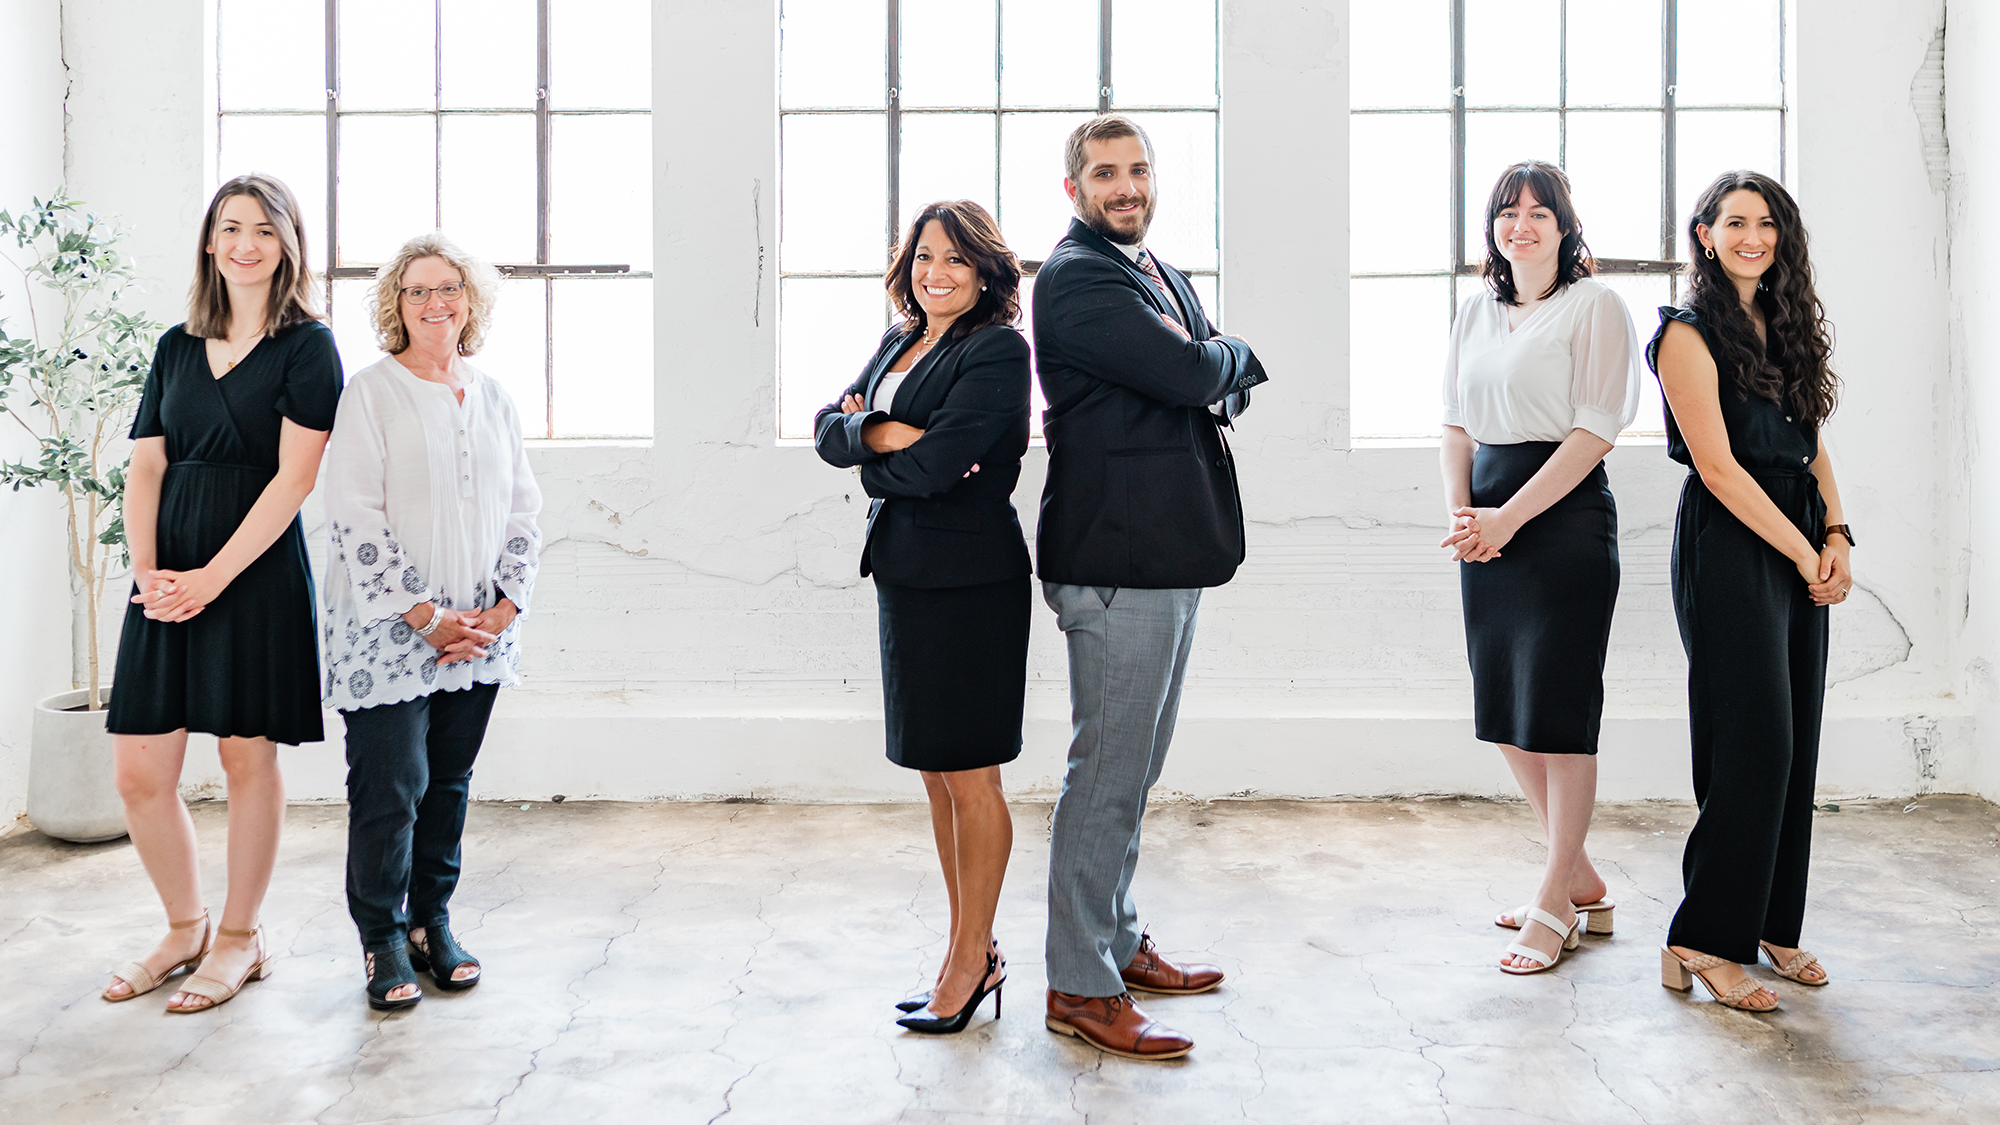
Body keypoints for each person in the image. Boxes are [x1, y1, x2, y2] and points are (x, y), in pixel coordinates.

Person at [1031, 114, 1266, 1060]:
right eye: (1104, 174)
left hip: (1167, 553)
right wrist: (1221, 359)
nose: (1125, 187)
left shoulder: (1155, 269)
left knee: (1139, 764)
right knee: (1109, 770)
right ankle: (1080, 984)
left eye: (1137, 170)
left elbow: (1205, 375)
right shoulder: (1079, 275)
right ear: (1075, 189)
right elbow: (1193, 366)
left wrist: (1211, 366)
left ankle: (1115, 938)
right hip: (1117, 561)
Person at [101, 173, 341, 1012]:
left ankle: (241, 936)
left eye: (265, 231)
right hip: (166, 571)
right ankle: (185, 925)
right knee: (140, 770)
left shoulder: (309, 347)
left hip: (254, 567)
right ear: (210, 242)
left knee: (245, 756)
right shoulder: (174, 344)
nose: (246, 243)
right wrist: (147, 570)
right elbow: (146, 465)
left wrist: (213, 576)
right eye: (231, 227)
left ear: (288, 246)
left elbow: (294, 480)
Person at [813, 200, 1031, 1035]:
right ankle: (963, 949)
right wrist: (882, 431)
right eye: (924, 257)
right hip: (905, 575)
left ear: (985, 272)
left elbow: (942, 468)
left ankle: (972, 961)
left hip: (971, 582)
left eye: (955, 259)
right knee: (936, 771)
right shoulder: (900, 340)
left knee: (972, 773)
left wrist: (880, 449)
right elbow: (831, 431)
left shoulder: (999, 350)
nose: (936, 272)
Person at [321, 232, 542, 1010]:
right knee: (392, 786)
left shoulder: (493, 397)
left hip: (480, 632)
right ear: (396, 305)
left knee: (447, 782)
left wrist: (504, 606)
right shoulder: (371, 393)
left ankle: (430, 924)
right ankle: (382, 938)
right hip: (389, 630)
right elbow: (352, 514)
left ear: (469, 301)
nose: (434, 302)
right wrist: (426, 615)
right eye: (417, 290)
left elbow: (522, 510)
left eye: (448, 288)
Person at [1438, 161, 1641, 976]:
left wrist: (1507, 518)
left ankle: (1557, 895)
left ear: (1565, 225)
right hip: (1483, 519)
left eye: (1538, 212)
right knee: (1505, 709)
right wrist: (1464, 515)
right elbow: (1454, 422)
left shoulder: (1595, 307)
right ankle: (1584, 874)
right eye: (1506, 212)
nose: (1521, 224)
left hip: (1559, 522)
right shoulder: (1475, 312)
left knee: (1559, 711)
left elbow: (1595, 431)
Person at [1651, 171, 1847, 1012]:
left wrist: (1837, 533)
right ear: (1704, 234)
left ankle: (1771, 920)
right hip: (1732, 543)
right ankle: (1703, 935)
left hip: (1798, 530)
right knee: (1752, 742)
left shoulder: (1786, 324)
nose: (1752, 237)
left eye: (1767, 223)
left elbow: (1809, 445)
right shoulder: (1685, 334)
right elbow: (1722, 470)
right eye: (1734, 222)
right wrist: (1806, 552)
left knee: (1794, 738)